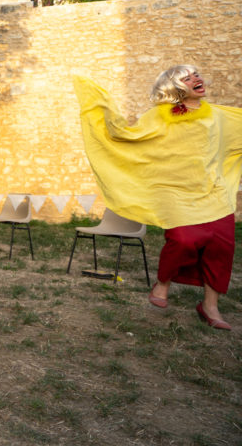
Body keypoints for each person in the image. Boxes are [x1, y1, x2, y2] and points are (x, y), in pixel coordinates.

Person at [75, 66, 242, 330]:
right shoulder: (158, 117)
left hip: (215, 193)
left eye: (196, 75)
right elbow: (131, 138)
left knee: (221, 248)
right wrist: (101, 109)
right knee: (183, 239)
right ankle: (162, 283)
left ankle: (210, 306)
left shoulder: (218, 115)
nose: (196, 79)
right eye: (187, 78)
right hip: (174, 192)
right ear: (174, 88)